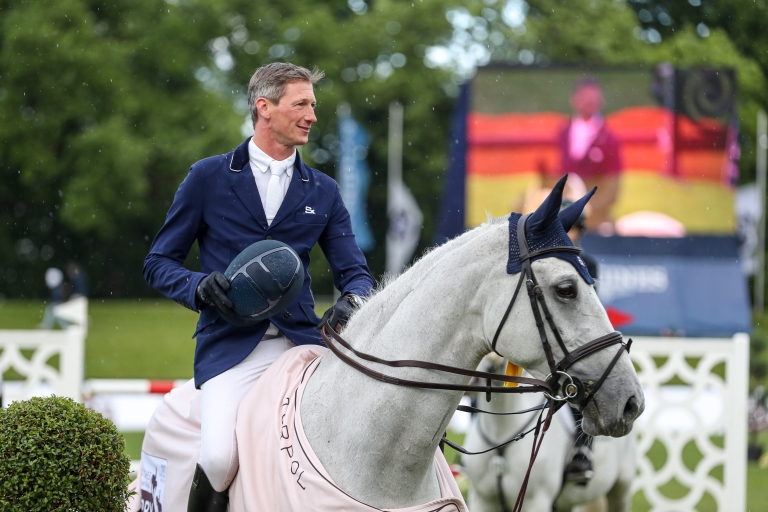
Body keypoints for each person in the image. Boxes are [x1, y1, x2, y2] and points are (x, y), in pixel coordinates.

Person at [143, 62, 375, 512]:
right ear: (263, 107)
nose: (312, 115)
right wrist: (196, 286)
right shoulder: (207, 177)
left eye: (313, 105)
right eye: (301, 104)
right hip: (230, 346)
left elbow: (356, 273)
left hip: (303, 344)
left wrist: (351, 302)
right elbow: (158, 263)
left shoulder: (323, 191)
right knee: (217, 456)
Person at [560, 198, 598, 485]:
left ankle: (583, 450)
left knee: (584, 385)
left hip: (577, 341)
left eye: (570, 229)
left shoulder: (588, 264)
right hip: (547, 340)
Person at [557, 78, 623, 233]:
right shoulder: (563, 133)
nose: (589, 102)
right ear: (574, 100)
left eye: (593, 98)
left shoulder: (609, 139)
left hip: (596, 220)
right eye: (584, 97)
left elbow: (612, 188)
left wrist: (585, 211)